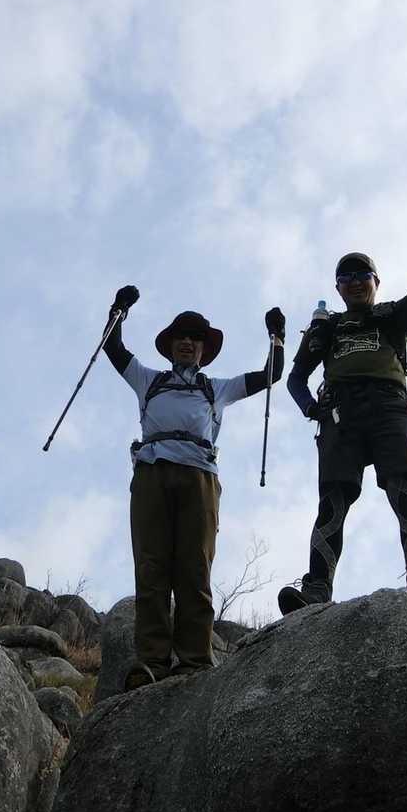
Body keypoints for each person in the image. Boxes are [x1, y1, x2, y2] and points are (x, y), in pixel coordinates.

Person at [277, 181, 407, 615]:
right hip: (340, 412)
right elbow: (295, 379)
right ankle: (317, 588)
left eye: (362, 275)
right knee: (333, 498)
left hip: (389, 406)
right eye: (346, 277)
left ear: (376, 282)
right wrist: (310, 407)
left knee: (402, 487)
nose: (355, 282)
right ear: (338, 288)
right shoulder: (325, 329)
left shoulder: (393, 316)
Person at [104, 288, 285, 689]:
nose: (187, 342)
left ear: (203, 350)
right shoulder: (148, 380)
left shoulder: (216, 388)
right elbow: (113, 349)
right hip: (152, 472)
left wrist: (278, 339)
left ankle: (194, 661)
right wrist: (118, 311)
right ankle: (152, 661)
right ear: (170, 346)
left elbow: (270, 376)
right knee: (151, 566)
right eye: (180, 336)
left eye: (195, 338)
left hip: (199, 475)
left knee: (195, 567)